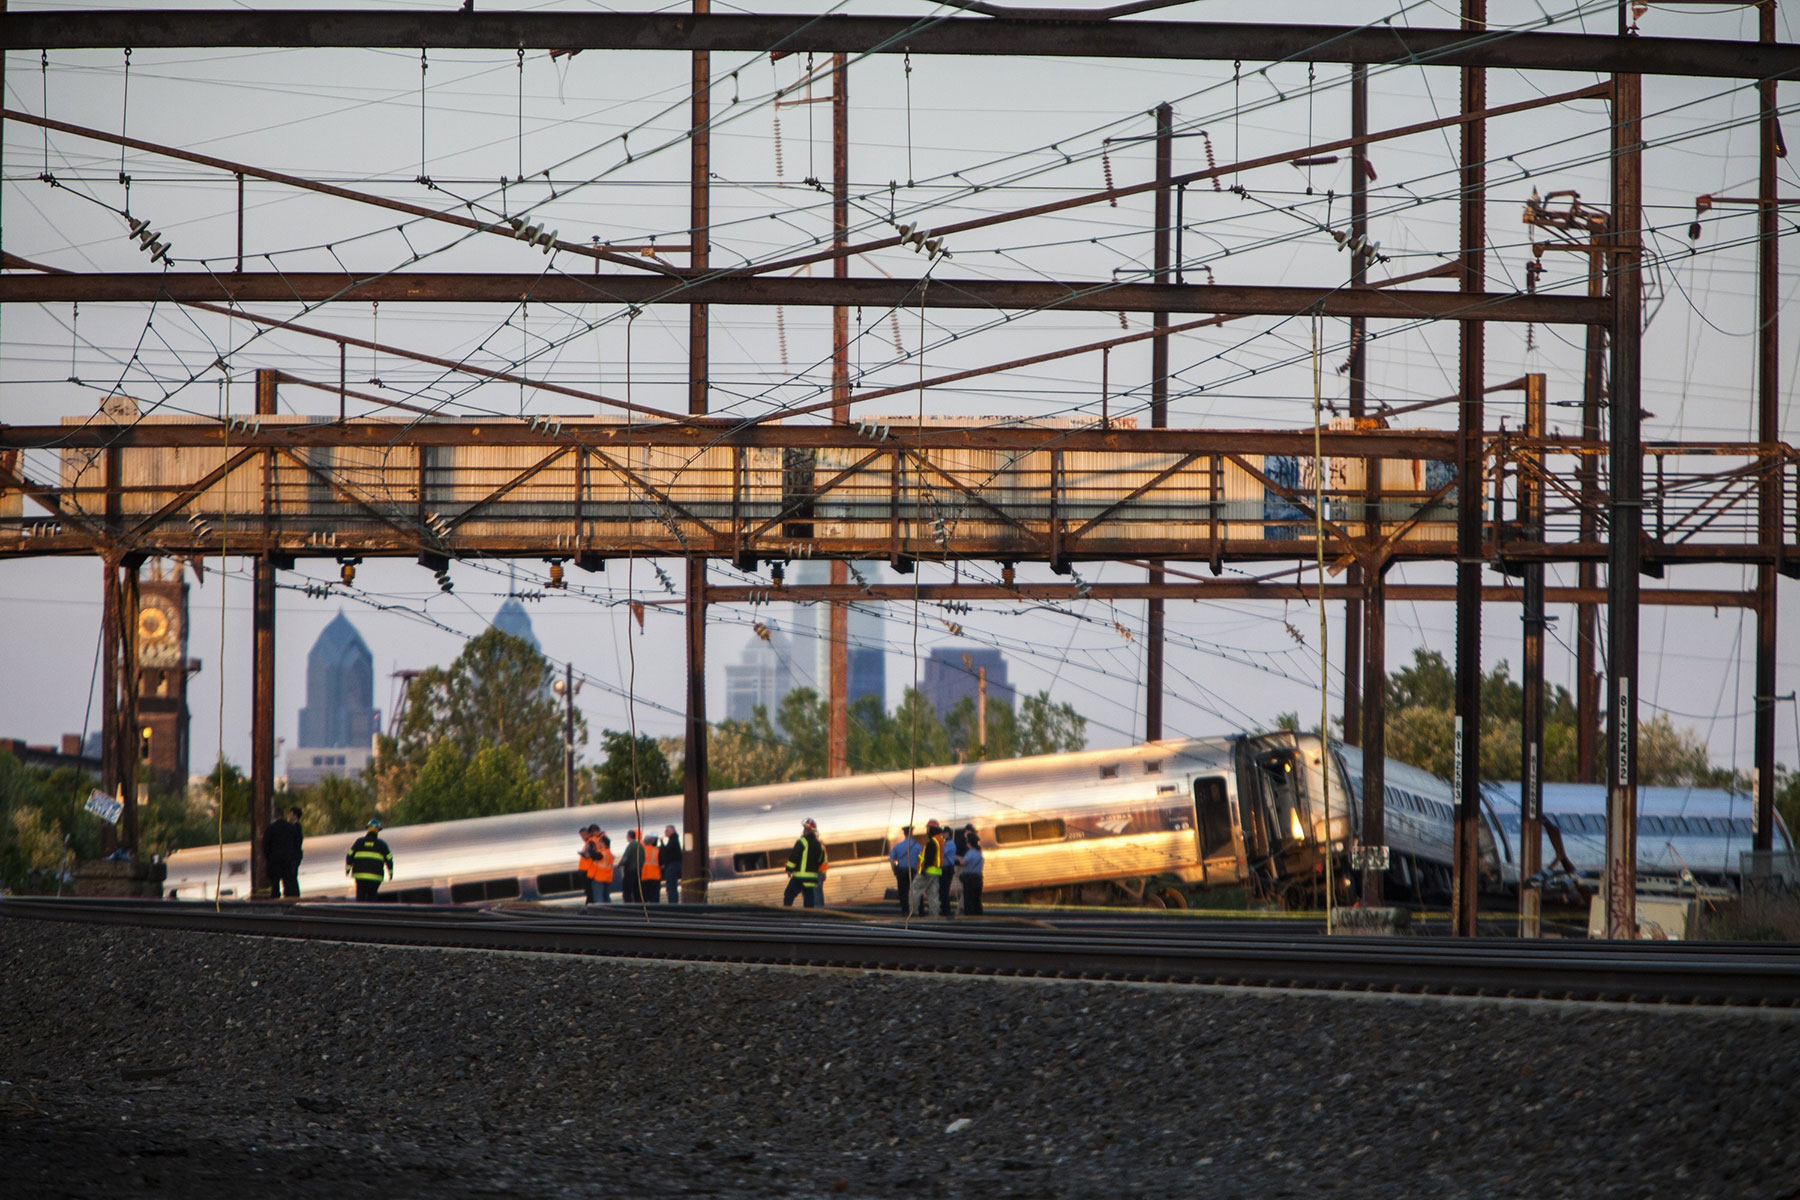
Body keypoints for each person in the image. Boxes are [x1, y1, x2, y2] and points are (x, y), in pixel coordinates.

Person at [345, 819, 393, 902]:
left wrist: (348, 870)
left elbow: (349, 856)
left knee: (360, 897)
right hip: (375, 878)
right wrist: (390, 873)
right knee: (372, 898)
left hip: (360, 877)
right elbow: (389, 859)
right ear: (377, 830)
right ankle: (372, 913)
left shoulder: (359, 842)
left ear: (368, 829)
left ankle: (360, 913)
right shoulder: (382, 845)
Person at [783, 818, 827, 908]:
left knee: (789, 894)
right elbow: (821, 860)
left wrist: (788, 869)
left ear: (806, 830)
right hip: (812, 878)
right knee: (809, 899)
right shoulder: (820, 845)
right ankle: (809, 917)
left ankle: (786, 914)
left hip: (800, 876)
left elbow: (793, 857)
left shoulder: (802, 842)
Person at [264, 806, 304, 899]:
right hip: (287, 861)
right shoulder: (291, 828)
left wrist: (269, 858)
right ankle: (291, 899)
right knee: (289, 882)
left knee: (275, 885)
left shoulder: (271, 828)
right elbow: (295, 843)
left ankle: (275, 902)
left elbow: (265, 845)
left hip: (274, 861)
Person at [909, 819, 944, 917]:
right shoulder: (940, 840)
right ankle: (935, 914)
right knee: (933, 894)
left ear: (931, 829)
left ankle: (913, 912)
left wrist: (924, 868)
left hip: (927, 871)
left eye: (928, 828)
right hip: (936, 872)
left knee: (914, 890)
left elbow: (929, 857)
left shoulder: (932, 841)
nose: (927, 830)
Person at [888, 825, 921, 916]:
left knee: (903, 892)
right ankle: (917, 910)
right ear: (912, 833)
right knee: (915, 891)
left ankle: (905, 912)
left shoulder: (898, 846)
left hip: (902, 872)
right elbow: (921, 860)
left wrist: (895, 869)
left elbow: (891, 859)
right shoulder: (917, 846)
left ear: (904, 833)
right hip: (913, 871)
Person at [958, 826, 985, 916]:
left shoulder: (971, 852)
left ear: (969, 843)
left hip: (970, 879)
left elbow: (963, 862)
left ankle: (970, 917)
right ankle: (979, 915)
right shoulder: (979, 852)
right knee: (977, 899)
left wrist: (958, 858)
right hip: (979, 878)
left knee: (969, 899)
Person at [578, 826, 605, 903]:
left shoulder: (591, 842)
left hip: (587, 871)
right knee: (590, 891)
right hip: (587, 871)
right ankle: (590, 906)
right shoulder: (591, 842)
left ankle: (589, 907)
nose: (582, 838)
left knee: (589, 892)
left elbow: (592, 855)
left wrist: (585, 854)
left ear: (587, 834)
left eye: (583, 835)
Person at [939, 819, 960, 919]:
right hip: (943, 869)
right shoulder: (944, 843)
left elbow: (942, 852)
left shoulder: (950, 844)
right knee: (942, 890)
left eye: (944, 833)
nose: (942, 835)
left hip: (947, 869)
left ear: (948, 833)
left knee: (944, 890)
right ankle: (944, 909)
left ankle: (946, 910)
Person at [617, 828, 644, 903]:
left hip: (630, 872)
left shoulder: (630, 846)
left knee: (627, 891)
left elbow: (625, 858)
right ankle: (639, 906)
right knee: (637, 891)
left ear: (629, 836)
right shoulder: (640, 846)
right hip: (639, 871)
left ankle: (628, 906)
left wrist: (618, 865)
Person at [660, 825, 683, 904]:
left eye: (667, 831)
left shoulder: (673, 840)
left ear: (672, 831)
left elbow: (666, 852)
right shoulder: (674, 840)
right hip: (674, 866)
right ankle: (673, 902)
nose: (665, 832)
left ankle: (673, 903)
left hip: (672, 867)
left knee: (671, 886)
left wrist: (662, 844)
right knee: (672, 886)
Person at [594, 830, 615, 903]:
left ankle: (601, 911)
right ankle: (609, 910)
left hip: (600, 878)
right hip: (608, 878)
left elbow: (595, 856)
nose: (599, 843)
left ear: (605, 844)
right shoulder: (610, 853)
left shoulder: (602, 853)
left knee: (599, 896)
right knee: (607, 896)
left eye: (600, 842)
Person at [640, 833, 662, 903]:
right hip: (655, 876)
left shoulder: (641, 850)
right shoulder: (657, 850)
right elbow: (661, 863)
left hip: (644, 876)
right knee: (655, 897)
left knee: (645, 897)